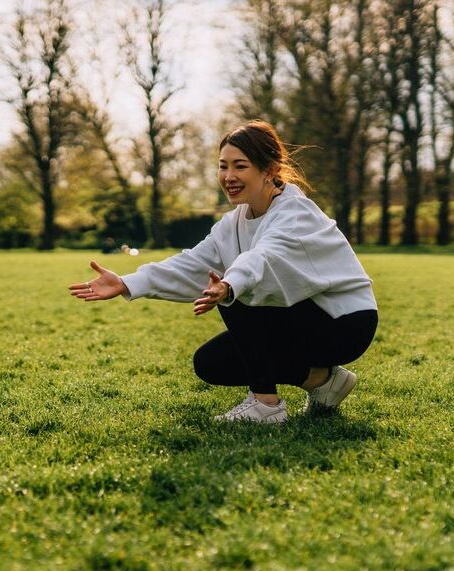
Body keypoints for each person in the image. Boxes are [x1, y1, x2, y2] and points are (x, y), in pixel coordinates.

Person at [68, 120, 378, 423]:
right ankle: (323, 381)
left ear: (269, 170)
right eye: (223, 166)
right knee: (213, 363)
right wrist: (126, 283)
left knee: (238, 296)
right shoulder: (234, 222)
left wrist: (230, 285)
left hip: (345, 324)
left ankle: (265, 406)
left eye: (240, 166)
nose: (228, 176)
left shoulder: (295, 213)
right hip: (302, 319)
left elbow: (262, 258)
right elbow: (192, 263)